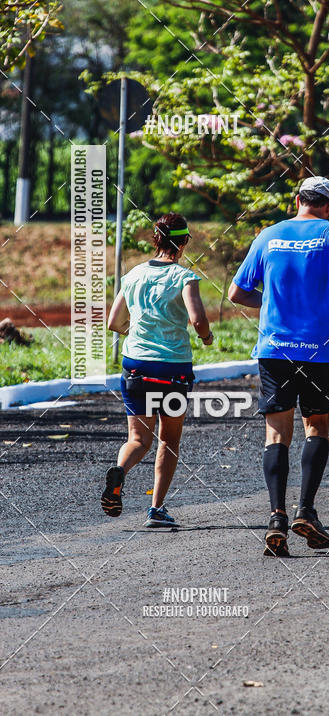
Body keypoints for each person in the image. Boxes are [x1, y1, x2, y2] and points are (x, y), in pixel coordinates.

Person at [228, 176, 329, 556]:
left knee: (276, 434)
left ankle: (276, 517)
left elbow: (237, 292)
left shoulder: (268, 235)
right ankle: (306, 511)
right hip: (317, 350)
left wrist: (274, 301)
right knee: (316, 427)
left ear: (297, 200)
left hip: (275, 349)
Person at [103, 212, 213, 527]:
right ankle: (156, 508)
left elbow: (114, 322)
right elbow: (198, 320)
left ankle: (120, 471)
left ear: (156, 239)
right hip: (173, 370)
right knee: (168, 440)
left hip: (136, 365)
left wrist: (139, 334)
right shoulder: (185, 277)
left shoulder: (133, 275)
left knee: (138, 439)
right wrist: (206, 338)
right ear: (183, 242)